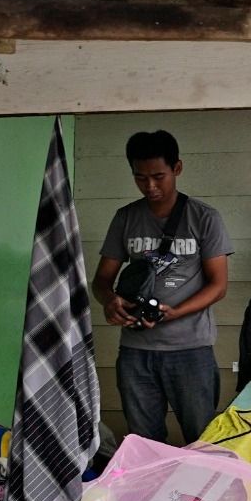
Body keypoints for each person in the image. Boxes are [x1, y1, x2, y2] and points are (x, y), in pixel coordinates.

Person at [94, 130, 232, 443]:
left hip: (191, 350)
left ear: (177, 168)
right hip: (135, 352)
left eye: (159, 176)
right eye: (140, 178)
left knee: (201, 439)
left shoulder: (204, 218)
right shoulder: (125, 218)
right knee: (143, 442)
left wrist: (175, 312)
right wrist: (110, 301)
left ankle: (199, 494)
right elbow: (102, 280)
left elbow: (219, 285)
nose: (151, 186)